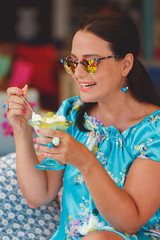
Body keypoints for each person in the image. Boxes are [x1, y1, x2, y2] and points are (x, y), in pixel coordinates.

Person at [5, 10, 160, 240]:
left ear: (125, 64)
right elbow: (38, 195)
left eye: (89, 62)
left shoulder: (153, 130)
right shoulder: (71, 113)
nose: (77, 73)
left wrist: (85, 160)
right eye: (72, 62)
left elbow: (129, 222)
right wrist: (21, 129)